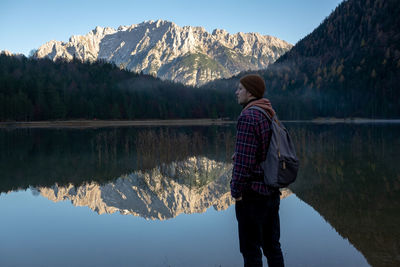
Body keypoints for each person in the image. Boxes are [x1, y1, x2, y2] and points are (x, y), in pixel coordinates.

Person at [231, 74, 284, 267]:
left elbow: (243, 164)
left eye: (240, 89)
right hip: (271, 190)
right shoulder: (268, 113)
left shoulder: (248, 116)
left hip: (252, 196)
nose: (236, 92)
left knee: (251, 251)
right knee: (272, 247)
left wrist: (235, 192)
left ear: (250, 92)